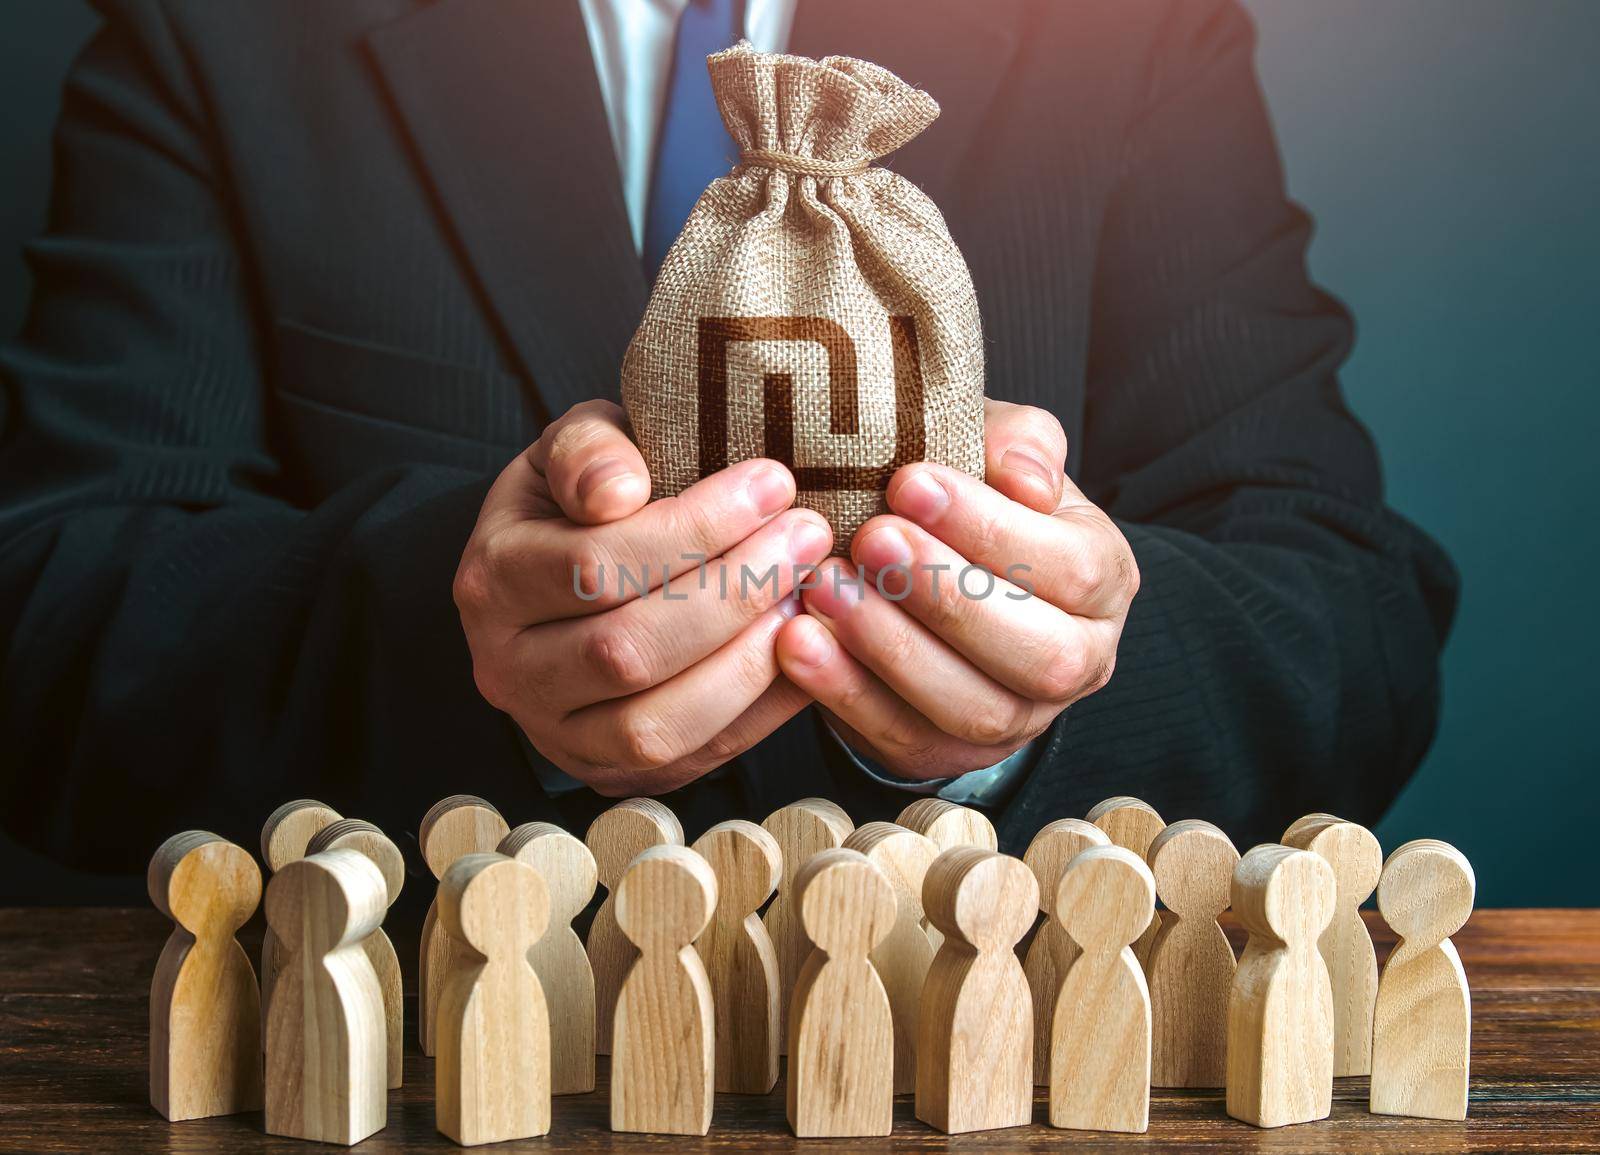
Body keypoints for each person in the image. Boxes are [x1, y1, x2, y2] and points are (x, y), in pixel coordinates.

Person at [0, 0, 1456, 879]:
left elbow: (1347, 613)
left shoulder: (1125, 35)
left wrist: (1066, 663)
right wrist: (470, 624)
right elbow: (48, 605)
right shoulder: (222, 33)